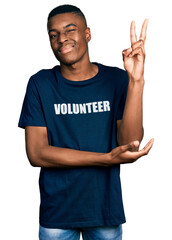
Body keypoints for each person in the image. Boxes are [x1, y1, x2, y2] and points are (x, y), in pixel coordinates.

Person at [18, 4, 154, 240]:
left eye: (70, 30)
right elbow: (37, 153)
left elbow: (130, 142)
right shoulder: (40, 84)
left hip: (104, 212)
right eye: (54, 34)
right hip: (57, 216)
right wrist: (105, 159)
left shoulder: (116, 79)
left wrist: (136, 81)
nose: (62, 39)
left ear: (87, 34)